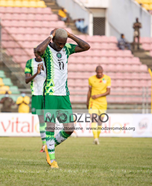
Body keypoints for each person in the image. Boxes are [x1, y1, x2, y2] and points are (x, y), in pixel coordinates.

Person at [36, 28, 90, 168]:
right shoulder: (47, 49)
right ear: (53, 40)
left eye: (63, 43)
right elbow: (37, 51)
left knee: (69, 128)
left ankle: (49, 145)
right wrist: (50, 36)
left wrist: (70, 35)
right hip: (50, 93)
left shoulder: (67, 48)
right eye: (59, 43)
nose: (61, 46)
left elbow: (86, 46)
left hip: (64, 94)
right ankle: (52, 160)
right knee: (50, 126)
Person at [25, 47, 47, 152]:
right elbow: (26, 80)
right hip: (37, 95)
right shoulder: (29, 63)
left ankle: (51, 142)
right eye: (36, 53)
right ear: (34, 53)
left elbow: (53, 77)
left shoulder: (47, 61)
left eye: (39, 53)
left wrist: (44, 71)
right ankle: (44, 144)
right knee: (42, 120)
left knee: (50, 119)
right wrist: (36, 73)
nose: (38, 55)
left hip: (48, 94)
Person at [87, 66, 111, 145]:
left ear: (103, 71)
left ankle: (97, 137)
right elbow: (89, 91)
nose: (99, 74)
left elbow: (108, 92)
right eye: (98, 72)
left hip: (103, 103)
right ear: (96, 72)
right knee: (94, 119)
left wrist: (98, 95)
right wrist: (87, 102)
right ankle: (95, 138)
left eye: (101, 72)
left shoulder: (107, 79)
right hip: (93, 102)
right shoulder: (91, 79)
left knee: (100, 122)